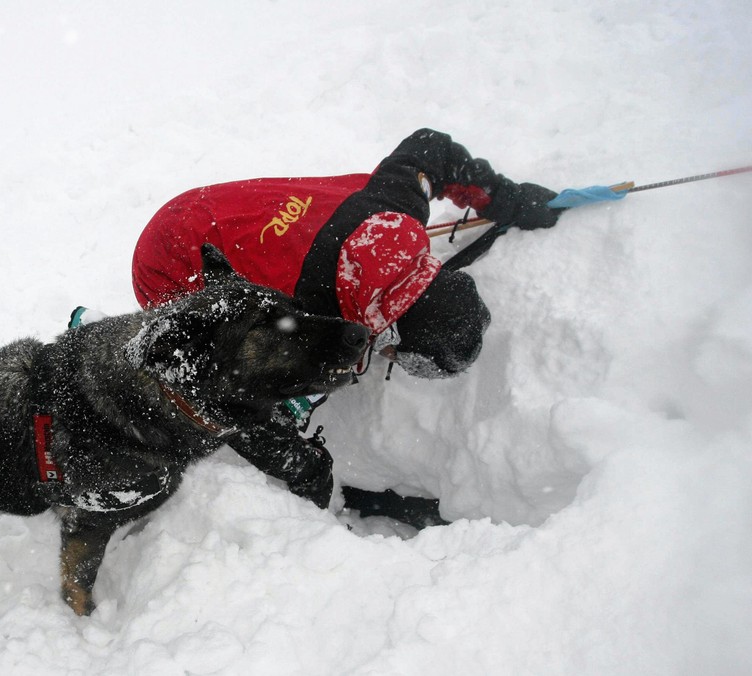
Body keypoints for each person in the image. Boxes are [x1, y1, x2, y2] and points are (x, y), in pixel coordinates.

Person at [128, 128, 563, 523]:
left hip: (221, 208)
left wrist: (504, 198)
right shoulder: (304, 308)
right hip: (173, 261)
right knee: (225, 366)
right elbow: (231, 395)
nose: (387, 357)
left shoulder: (399, 208)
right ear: (392, 331)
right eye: (395, 353)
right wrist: (301, 464)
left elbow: (431, 148)